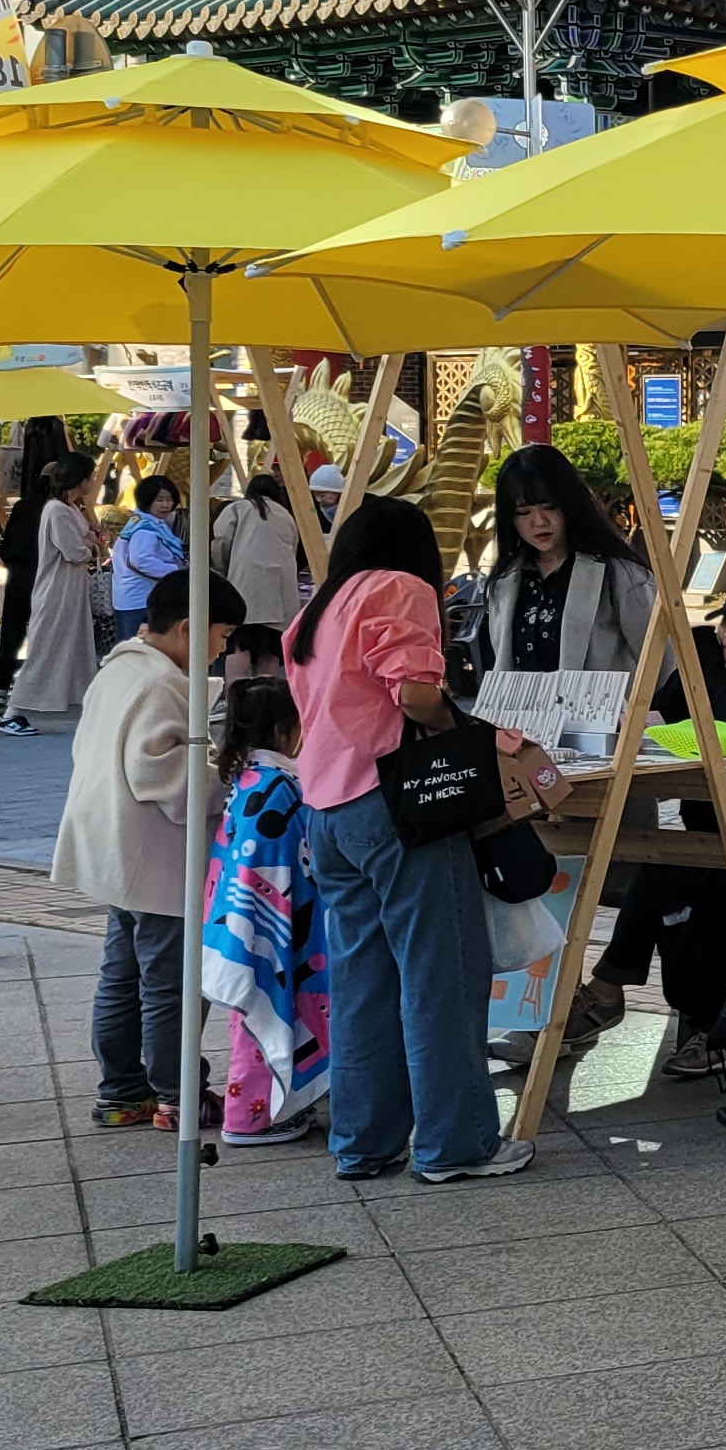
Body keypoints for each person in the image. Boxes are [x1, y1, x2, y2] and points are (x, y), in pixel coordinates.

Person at [288, 494, 529, 1183]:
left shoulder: (318, 607)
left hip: (327, 809)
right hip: (396, 805)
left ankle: (364, 1142)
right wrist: (464, 730)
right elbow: (416, 695)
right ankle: (457, 1144)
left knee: (362, 982)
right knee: (439, 976)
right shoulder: (400, 589)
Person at [55, 567, 249, 1128]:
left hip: (113, 847)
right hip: (156, 858)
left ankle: (121, 1091)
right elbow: (164, 779)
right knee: (171, 982)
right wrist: (230, 777)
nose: (223, 649)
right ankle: (178, 1094)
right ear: (190, 628)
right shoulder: (162, 685)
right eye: (222, 636)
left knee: (121, 973)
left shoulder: (120, 669)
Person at [592, 574, 726, 1081]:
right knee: (665, 865)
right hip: (708, 823)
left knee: (688, 879)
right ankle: (615, 993)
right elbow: (659, 717)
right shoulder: (703, 660)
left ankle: (623, 997)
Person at [203, 673, 327, 1148]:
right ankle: (254, 1117)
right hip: (280, 925)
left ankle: (259, 1109)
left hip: (242, 924)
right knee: (274, 1019)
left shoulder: (247, 777)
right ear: (282, 730)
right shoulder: (282, 787)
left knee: (254, 1019)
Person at [480, 443, 646, 685]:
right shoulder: (505, 580)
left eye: (550, 507)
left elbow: (660, 662)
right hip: (521, 708)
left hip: (599, 708)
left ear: (570, 504)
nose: (539, 521)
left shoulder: (620, 575)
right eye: (523, 512)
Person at [4, 457, 102, 734]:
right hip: (56, 591)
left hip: (70, 589)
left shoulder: (70, 508)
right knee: (46, 649)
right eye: (90, 476)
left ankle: (82, 706)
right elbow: (75, 551)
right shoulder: (57, 510)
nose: (93, 481)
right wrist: (92, 547)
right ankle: (13, 711)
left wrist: (90, 544)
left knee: (74, 648)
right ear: (80, 479)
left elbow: (88, 540)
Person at [0, 451, 53, 702]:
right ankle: (39, 686)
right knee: (45, 631)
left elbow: (7, 544)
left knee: (12, 631)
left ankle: (0, 686)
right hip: (46, 574)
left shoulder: (22, 506)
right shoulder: (57, 509)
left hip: (18, 573)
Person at [215, 474, 306, 633]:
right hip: (280, 594)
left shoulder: (237, 508)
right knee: (272, 643)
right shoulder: (286, 515)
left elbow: (221, 541)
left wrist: (223, 569)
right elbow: (293, 548)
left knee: (242, 640)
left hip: (245, 586)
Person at [109, 473, 189, 627]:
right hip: (141, 598)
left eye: (169, 499)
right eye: (159, 500)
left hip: (130, 598)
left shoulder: (140, 521)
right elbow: (140, 560)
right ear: (147, 500)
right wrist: (175, 571)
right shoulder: (146, 530)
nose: (165, 505)